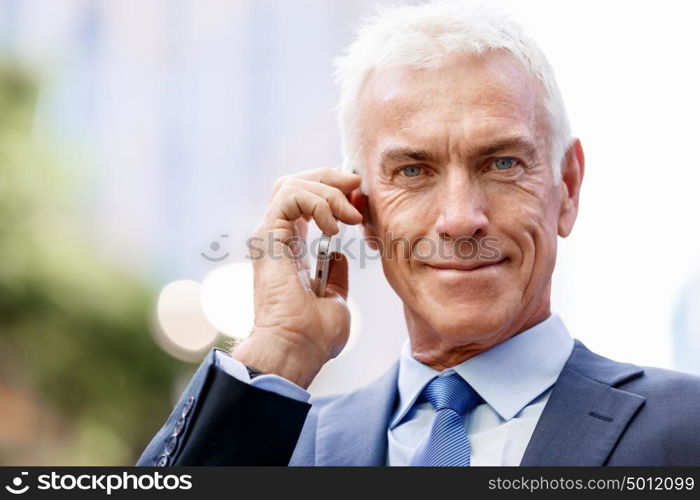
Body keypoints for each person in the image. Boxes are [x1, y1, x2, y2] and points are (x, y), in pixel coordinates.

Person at [137, 1, 700, 466]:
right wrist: (279, 350)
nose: (459, 218)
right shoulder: (283, 446)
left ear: (568, 188)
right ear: (364, 210)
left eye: (501, 163)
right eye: (413, 171)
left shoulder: (685, 430)